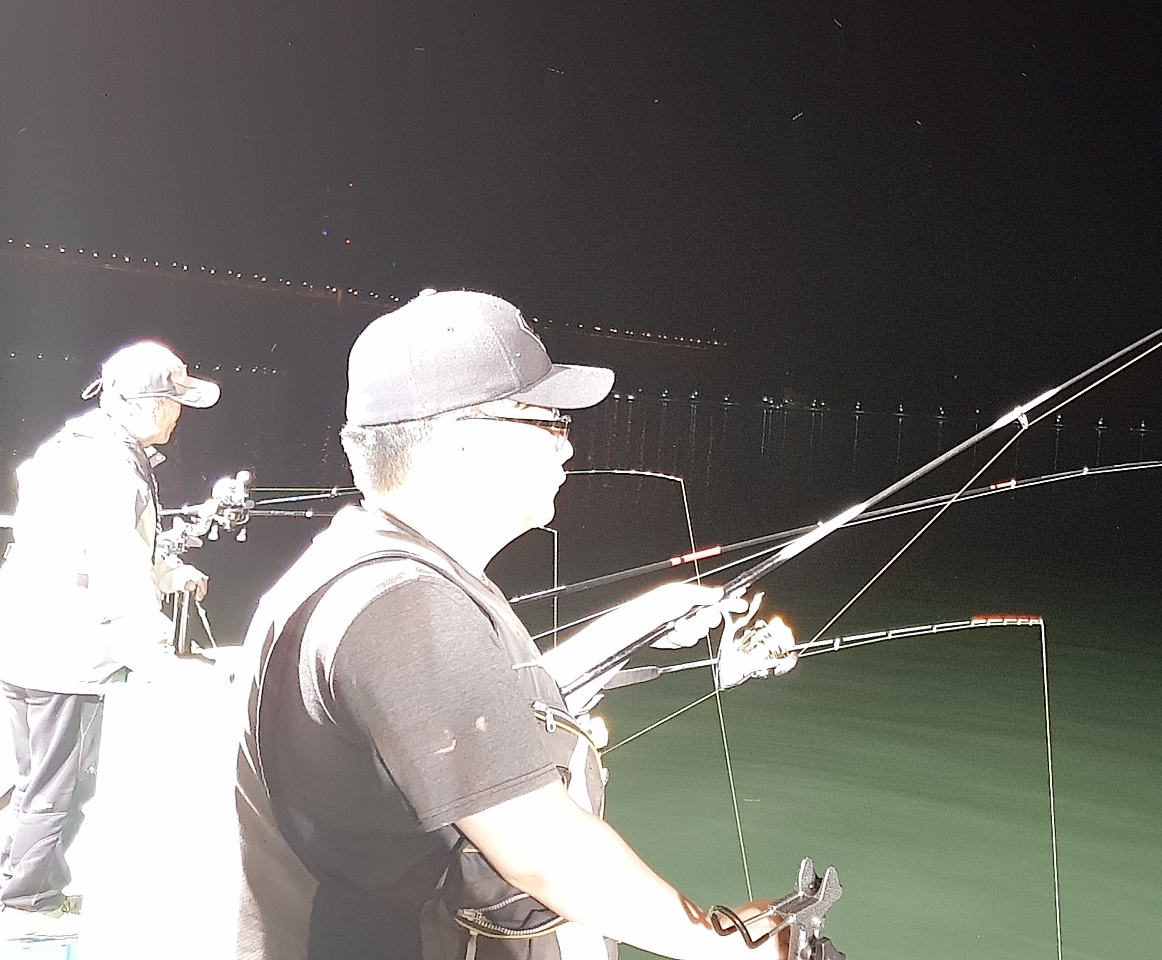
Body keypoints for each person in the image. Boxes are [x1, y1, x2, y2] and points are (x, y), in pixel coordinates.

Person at [234, 289, 798, 960]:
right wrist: (728, 945)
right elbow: (542, 853)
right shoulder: (404, 608)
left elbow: (470, 709)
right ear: (464, 441)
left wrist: (640, 621)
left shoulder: (373, 571)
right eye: (549, 420)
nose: (568, 446)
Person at [0, 341, 219, 932]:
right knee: (62, 785)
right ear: (145, 405)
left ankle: (21, 883)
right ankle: (27, 905)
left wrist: (169, 571)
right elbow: (115, 572)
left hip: (23, 639)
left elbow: (87, 542)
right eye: (173, 402)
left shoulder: (72, 448)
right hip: (66, 655)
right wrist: (158, 659)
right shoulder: (111, 466)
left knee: (33, 779)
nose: (179, 414)